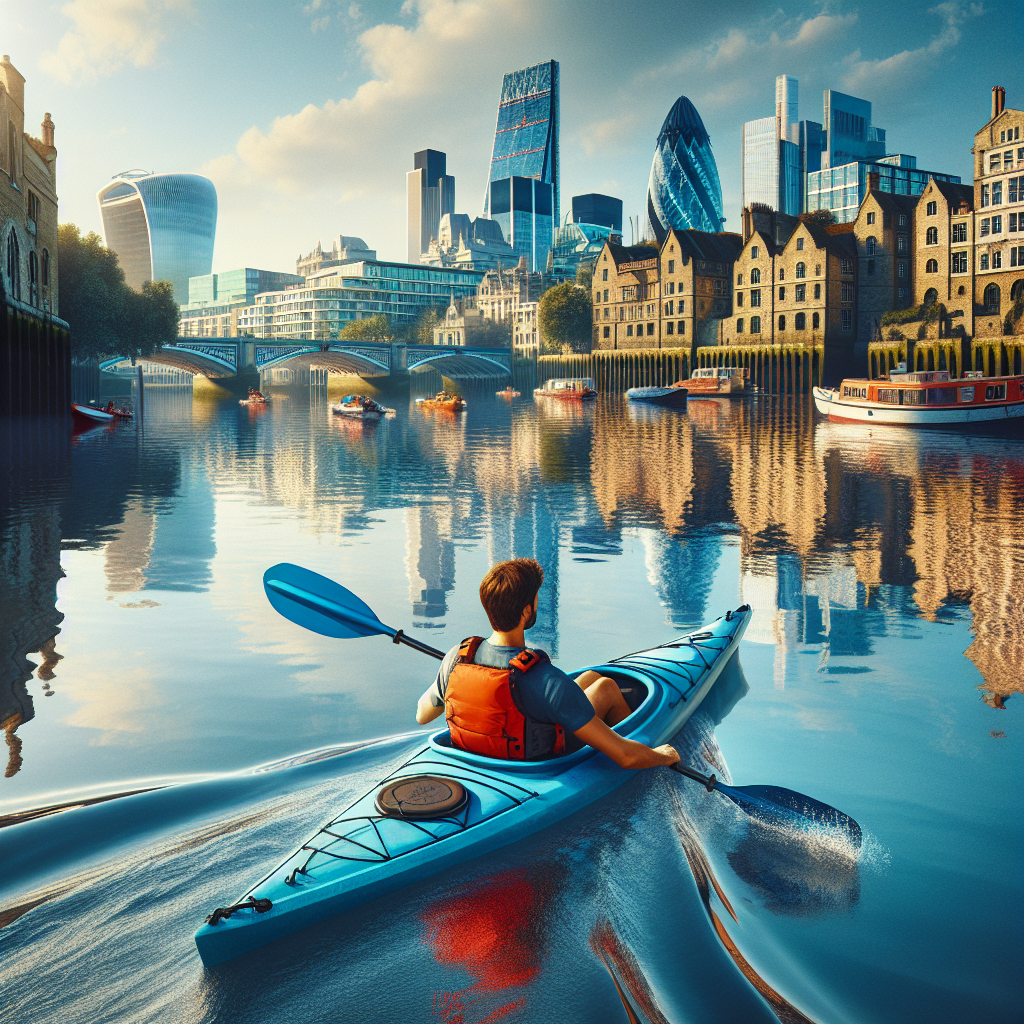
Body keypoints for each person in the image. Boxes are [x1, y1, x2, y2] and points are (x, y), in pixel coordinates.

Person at [416, 558, 680, 769]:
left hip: (476, 753)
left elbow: (422, 715)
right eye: (536, 598)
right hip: (535, 760)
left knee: (589, 677)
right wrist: (663, 756)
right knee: (606, 687)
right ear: (527, 611)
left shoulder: (456, 658)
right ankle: (639, 742)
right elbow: (626, 758)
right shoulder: (544, 679)